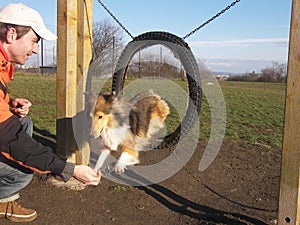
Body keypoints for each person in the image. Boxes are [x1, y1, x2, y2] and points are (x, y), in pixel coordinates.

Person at [0, 3, 101, 223]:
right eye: (34, 41)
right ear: (11, 34)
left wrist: (9, 106)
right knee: (22, 171)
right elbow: (13, 141)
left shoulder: (3, 65)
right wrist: (70, 169)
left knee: (23, 123)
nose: (36, 50)